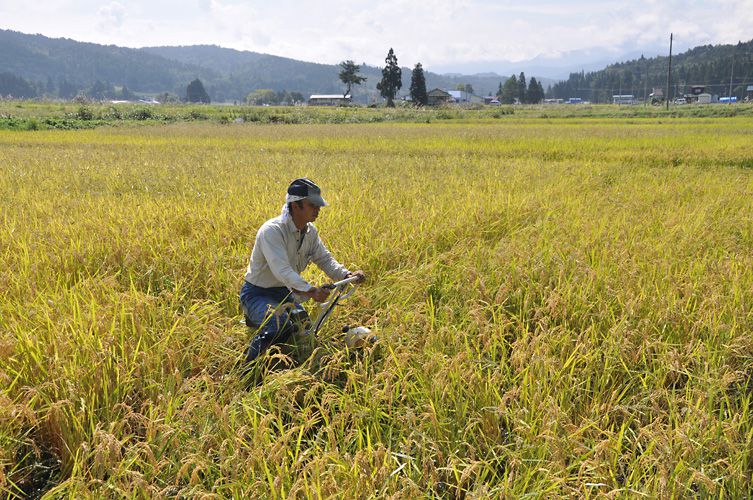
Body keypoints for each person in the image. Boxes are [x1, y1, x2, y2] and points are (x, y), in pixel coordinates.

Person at [240, 178, 365, 364]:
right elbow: (282, 271)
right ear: (295, 205)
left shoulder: (310, 232)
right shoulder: (272, 231)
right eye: (312, 205)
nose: (318, 209)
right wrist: (311, 291)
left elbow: (324, 258)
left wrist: (346, 275)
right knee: (278, 327)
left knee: (304, 327)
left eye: (318, 205)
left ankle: (288, 361)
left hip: (284, 292)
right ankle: (246, 371)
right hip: (258, 293)